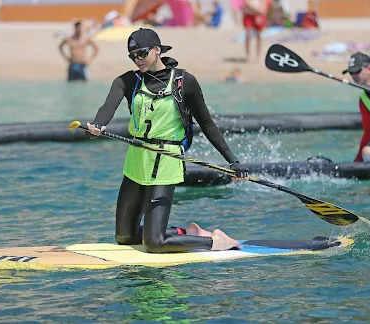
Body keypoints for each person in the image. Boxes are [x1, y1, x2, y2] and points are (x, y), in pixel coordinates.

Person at [85, 28, 249, 253]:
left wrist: (233, 161)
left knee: (154, 243)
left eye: (141, 54)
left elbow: (207, 124)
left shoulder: (184, 81)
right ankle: (188, 233)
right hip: (136, 160)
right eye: (132, 55)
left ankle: (216, 241)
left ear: (156, 50)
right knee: (125, 237)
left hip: (165, 162)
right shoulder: (128, 81)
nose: (137, 59)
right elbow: (108, 106)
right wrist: (98, 124)